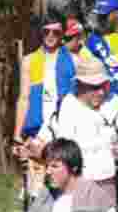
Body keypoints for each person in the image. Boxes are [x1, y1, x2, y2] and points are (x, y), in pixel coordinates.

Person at [21, 55, 118, 204]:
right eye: (94, 87)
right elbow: (50, 148)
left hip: (108, 181)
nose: (100, 92)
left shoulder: (113, 104)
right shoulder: (67, 108)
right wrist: (35, 150)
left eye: (103, 86)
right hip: (78, 185)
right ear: (80, 85)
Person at [13, 15, 77, 147]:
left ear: (62, 34)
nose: (50, 35)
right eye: (46, 31)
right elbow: (24, 98)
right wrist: (17, 134)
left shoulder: (75, 61)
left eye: (56, 32)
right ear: (40, 33)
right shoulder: (29, 61)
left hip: (66, 130)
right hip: (36, 132)